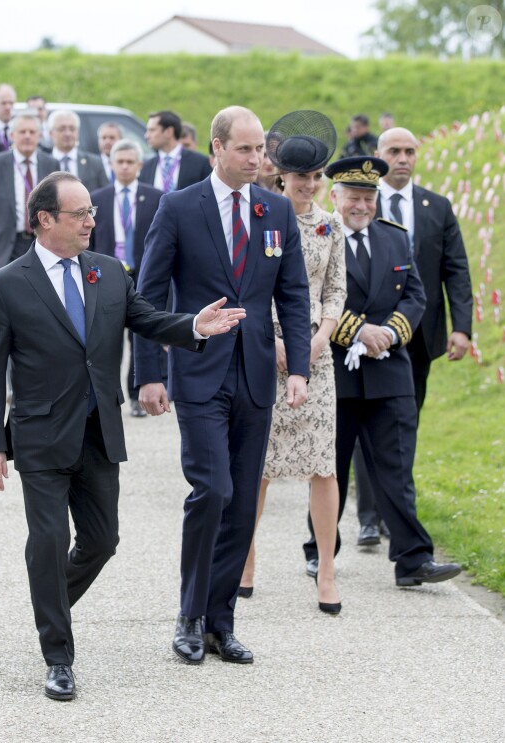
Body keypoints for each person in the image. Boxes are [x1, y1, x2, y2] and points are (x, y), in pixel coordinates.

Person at [0, 170, 246, 701]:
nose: (92, 223)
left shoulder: (109, 273)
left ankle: (46, 605)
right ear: (44, 220)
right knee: (48, 543)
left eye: (92, 213)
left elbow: (145, 318)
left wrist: (193, 326)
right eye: (81, 215)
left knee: (102, 542)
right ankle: (59, 655)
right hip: (41, 436)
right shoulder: (6, 284)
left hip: (99, 431)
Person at [134, 105, 311, 665]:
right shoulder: (179, 208)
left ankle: (220, 623)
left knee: (241, 509)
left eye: (261, 149)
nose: (258, 159)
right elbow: (146, 296)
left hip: (256, 377)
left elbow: (295, 296)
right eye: (245, 149)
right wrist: (148, 375)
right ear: (216, 148)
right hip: (199, 373)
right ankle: (188, 615)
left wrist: (299, 369)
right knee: (213, 491)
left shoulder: (276, 210)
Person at [303, 155, 461, 589]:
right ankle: (320, 551)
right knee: (328, 468)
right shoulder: (319, 235)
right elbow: (310, 298)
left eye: (369, 198)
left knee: (395, 468)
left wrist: (390, 333)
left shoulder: (395, 238)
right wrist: (357, 331)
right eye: (353, 196)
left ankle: (413, 559)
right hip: (336, 371)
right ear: (334, 196)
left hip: (389, 370)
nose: (362, 206)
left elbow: (415, 295)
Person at [239, 111, 346, 615]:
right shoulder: (261, 217)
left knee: (323, 466)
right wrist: (274, 342)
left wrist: (320, 340)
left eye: (316, 176)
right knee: (258, 463)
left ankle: (326, 568)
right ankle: (246, 554)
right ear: (281, 175)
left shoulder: (331, 224)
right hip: (266, 348)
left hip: (317, 356)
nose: (308, 184)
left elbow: (335, 291)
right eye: (300, 176)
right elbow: (250, 289)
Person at [352, 127, 473, 544]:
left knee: (402, 427)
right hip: (360, 337)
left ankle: (396, 511)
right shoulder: (363, 201)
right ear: (379, 155)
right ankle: (368, 516)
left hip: (418, 337)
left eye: (409, 151)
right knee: (362, 426)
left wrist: (462, 327)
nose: (402, 159)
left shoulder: (436, 206)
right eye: (394, 151)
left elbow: (455, 268)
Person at [90, 139, 163, 417]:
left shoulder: (155, 197)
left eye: (130, 162)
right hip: (107, 274)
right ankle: (107, 397)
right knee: (107, 340)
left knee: (140, 337)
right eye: (119, 162)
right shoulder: (98, 198)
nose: (124, 166)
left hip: (141, 274)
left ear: (139, 165)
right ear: (111, 164)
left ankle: (136, 395)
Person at [0, 112, 59, 278]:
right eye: (22, 132)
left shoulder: (51, 164)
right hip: (6, 247)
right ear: (12, 135)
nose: (27, 136)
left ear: (40, 136)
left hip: (42, 244)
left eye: (32, 132)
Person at [140, 110, 212, 192]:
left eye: (152, 130)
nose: (146, 136)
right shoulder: (147, 167)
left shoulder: (201, 164)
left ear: (168, 132)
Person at [49, 110, 108, 194]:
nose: (68, 133)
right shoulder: (42, 163)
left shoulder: (95, 163)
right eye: (62, 129)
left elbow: (105, 194)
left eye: (72, 129)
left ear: (78, 132)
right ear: (51, 133)